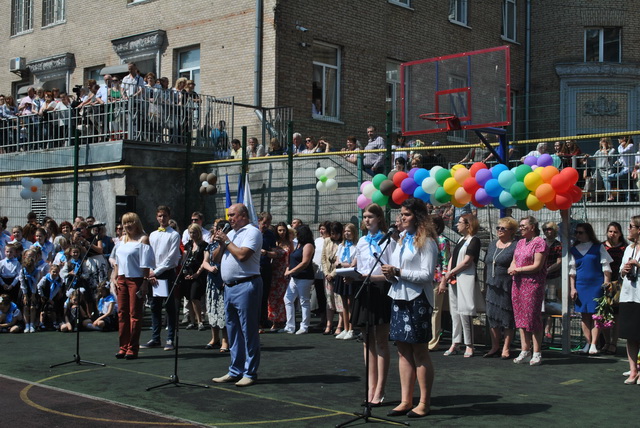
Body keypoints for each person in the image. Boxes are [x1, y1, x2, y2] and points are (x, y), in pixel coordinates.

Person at [380, 198, 437, 418]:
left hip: (418, 299)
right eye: (401, 214)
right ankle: (406, 400)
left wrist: (398, 272)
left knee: (419, 351)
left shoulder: (427, 241)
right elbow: (398, 270)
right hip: (399, 296)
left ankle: (424, 402)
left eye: (406, 214)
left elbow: (427, 275)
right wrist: (390, 274)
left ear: (418, 217)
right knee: (402, 351)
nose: (401, 218)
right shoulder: (402, 239)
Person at [212, 203, 263, 387]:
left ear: (243, 215)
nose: (230, 219)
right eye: (229, 215)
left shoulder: (252, 232)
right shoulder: (231, 234)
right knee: (233, 331)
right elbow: (216, 258)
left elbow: (243, 255)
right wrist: (221, 243)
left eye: (233, 215)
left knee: (248, 331)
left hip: (246, 284)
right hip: (229, 287)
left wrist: (226, 241)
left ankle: (250, 372)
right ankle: (235, 370)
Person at [353, 203, 394, 407]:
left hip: (381, 289)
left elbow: (391, 271)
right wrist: (352, 275)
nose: (367, 220)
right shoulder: (361, 241)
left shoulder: (388, 241)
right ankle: (370, 388)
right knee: (366, 340)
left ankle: (380, 389)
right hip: (364, 288)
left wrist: (373, 278)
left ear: (379, 218)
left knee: (381, 341)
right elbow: (359, 266)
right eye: (365, 216)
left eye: (370, 216)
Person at [112, 212, 154, 360]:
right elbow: (118, 261)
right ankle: (123, 347)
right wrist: (115, 277)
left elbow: (146, 263)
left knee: (134, 314)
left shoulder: (143, 239)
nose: (127, 225)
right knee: (122, 313)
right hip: (122, 279)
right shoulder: (122, 240)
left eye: (130, 222)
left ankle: (132, 348)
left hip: (136, 279)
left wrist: (145, 282)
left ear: (136, 223)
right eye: (125, 223)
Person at [508, 216, 548, 366]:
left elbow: (537, 265)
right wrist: (512, 267)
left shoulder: (540, 243)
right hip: (517, 284)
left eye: (524, 225)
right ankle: (525, 350)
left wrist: (518, 269)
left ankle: (537, 352)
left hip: (532, 284)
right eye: (520, 226)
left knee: (532, 318)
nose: (521, 228)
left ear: (532, 227)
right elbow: (514, 260)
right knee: (520, 317)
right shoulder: (520, 242)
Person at [570, 222, 613, 355]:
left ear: (588, 233)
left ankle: (594, 344)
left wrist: (606, 284)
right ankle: (587, 343)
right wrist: (572, 288)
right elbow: (572, 272)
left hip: (596, 286)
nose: (578, 235)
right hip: (581, 286)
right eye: (576, 232)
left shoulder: (598, 247)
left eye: (581, 232)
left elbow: (606, 268)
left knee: (596, 316)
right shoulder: (573, 249)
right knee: (584, 315)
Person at [142, 205, 181, 351]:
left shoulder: (174, 235)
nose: (162, 218)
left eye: (165, 216)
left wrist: (156, 272)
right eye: (160, 216)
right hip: (153, 274)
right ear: (156, 217)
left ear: (169, 217)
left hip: (166, 273)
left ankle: (170, 338)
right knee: (155, 306)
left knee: (169, 306)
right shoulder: (152, 235)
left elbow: (171, 258)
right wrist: (150, 271)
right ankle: (155, 338)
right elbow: (149, 254)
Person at [483, 217, 517, 359]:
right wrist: (485, 284)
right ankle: (495, 346)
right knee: (492, 316)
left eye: (503, 228)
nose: (499, 230)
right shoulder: (492, 244)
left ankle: (506, 347)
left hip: (506, 286)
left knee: (507, 317)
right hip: (491, 286)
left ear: (511, 231)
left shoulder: (515, 245)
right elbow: (486, 264)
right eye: (498, 228)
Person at [282, 225, 315, 335]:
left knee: (304, 301)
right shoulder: (298, 245)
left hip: (304, 277)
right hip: (295, 277)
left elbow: (305, 262)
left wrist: (291, 271)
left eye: (298, 233)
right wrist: (289, 269)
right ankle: (290, 326)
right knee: (288, 299)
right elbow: (293, 259)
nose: (296, 235)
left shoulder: (308, 245)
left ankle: (304, 326)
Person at [619, 215, 640, 384]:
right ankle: (633, 370)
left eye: (631, 226)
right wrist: (624, 270)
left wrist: (638, 265)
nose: (628, 229)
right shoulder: (628, 249)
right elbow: (620, 271)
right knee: (630, 335)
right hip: (628, 295)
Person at [202, 220, 229, 352]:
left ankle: (225, 340)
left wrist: (223, 244)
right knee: (212, 309)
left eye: (222, 229)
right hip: (212, 281)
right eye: (218, 229)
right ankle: (214, 338)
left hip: (224, 281)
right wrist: (210, 268)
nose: (219, 232)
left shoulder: (230, 245)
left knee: (222, 311)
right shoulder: (211, 246)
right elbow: (206, 261)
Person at [602, 221, 627, 355]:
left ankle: (613, 343)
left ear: (620, 234)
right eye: (610, 231)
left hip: (619, 285)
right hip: (604, 283)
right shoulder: (602, 247)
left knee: (616, 316)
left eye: (615, 232)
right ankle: (606, 342)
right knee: (604, 314)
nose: (612, 234)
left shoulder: (624, 248)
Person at [428, 215, 450, 352]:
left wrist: (443, 281)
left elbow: (445, 262)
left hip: (436, 279)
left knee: (435, 310)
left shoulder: (442, 241)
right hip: (425, 279)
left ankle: (433, 340)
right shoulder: (425, 240)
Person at [179, 223, 208, 331]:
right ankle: (192, 321)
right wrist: (185, 273)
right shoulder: (189, 245)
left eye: (194, 232)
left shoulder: (204, 245)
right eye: (190, 233)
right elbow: (184, 259)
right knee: (188, 298)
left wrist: (197, 273)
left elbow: (205, 261)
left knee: (194, 297)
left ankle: (199, 321)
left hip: (199, 275)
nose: (192, 235)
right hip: (188, 274)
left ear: (199, 233)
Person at [266, 222, 292, 331]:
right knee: (272, 296)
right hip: (274, 270)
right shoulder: (274, 242)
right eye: (280, 230)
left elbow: (291, 257)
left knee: (283, 296)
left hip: (285, 271)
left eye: (284, 230)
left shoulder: (289, 243)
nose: (282, 232)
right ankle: (274, 320)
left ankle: (283, 320)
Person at [321, 222, 344, 336]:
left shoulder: (343, 243)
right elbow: (323, 258)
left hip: (338, 275)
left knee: (339, 300)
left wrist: (333, 274)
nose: (333, 236)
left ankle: (340, 325)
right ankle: (328, 324)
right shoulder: (327, 241)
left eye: (335, 233)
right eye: (332, 233)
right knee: (329, 300)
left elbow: (341, 261)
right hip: (327, 275)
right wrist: (326, 273)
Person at [542, 222, 562, 339]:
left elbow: (559, 262)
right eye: (545, 229)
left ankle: (547, 329)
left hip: (552, 278)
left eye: (549, 229)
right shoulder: (541, 242)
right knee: (541, 302)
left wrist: (548, 270)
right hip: (540, 278)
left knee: (550, 302)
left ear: (554, 230)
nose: (547, 231)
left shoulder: (558, 245)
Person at [258, 212, 277, 331]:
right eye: (264, 222)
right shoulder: (253, 232)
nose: (266, 225)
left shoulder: (270, 235)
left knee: (264, 295)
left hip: (265, 267)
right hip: (253, 268)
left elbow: (274, 253)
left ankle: (263, 320)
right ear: (259, 221)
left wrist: (267, 253)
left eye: (268, 223)